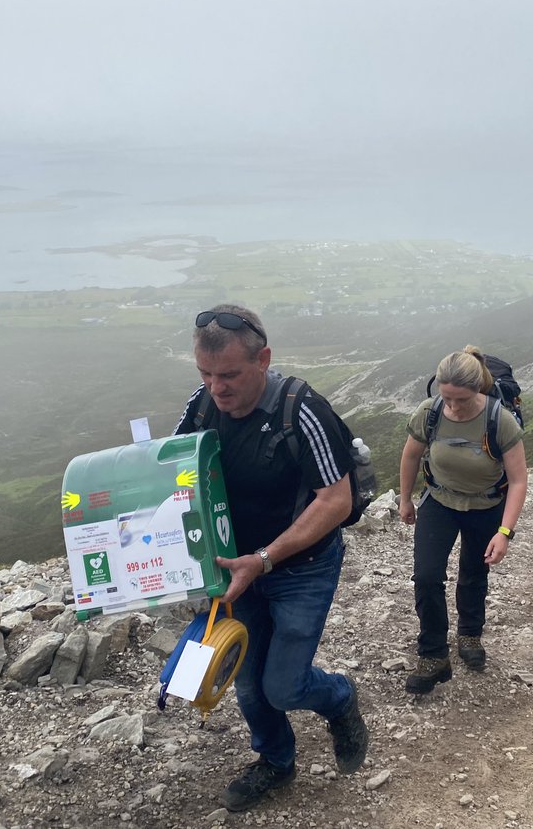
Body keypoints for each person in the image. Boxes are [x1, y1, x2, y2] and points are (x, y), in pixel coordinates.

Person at [174, 305, 368, 812]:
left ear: (263, 359)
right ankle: (276, 762)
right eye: (206, 374)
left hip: (300, 567)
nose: (217, 387)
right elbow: (175, 475)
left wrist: (263, 559)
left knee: (283, 685)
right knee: (249, 683)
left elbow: (337, 500)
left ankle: (340, 700)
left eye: (230, 375)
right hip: (234, 571)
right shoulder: (202, 406)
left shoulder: (300, 409)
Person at [398, 346, 528, 694]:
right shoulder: (430, 412)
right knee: (426, 577)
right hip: (438, 500)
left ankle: (470, 634)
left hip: (486, 506)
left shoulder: (498, 420)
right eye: (447, 398)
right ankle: (433, 654)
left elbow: (518, 480)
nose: (453, 406)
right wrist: (405, 497)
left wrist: (505, 532)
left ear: (478, 390)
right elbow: (411, 454)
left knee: (474, 572)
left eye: (461, 400)